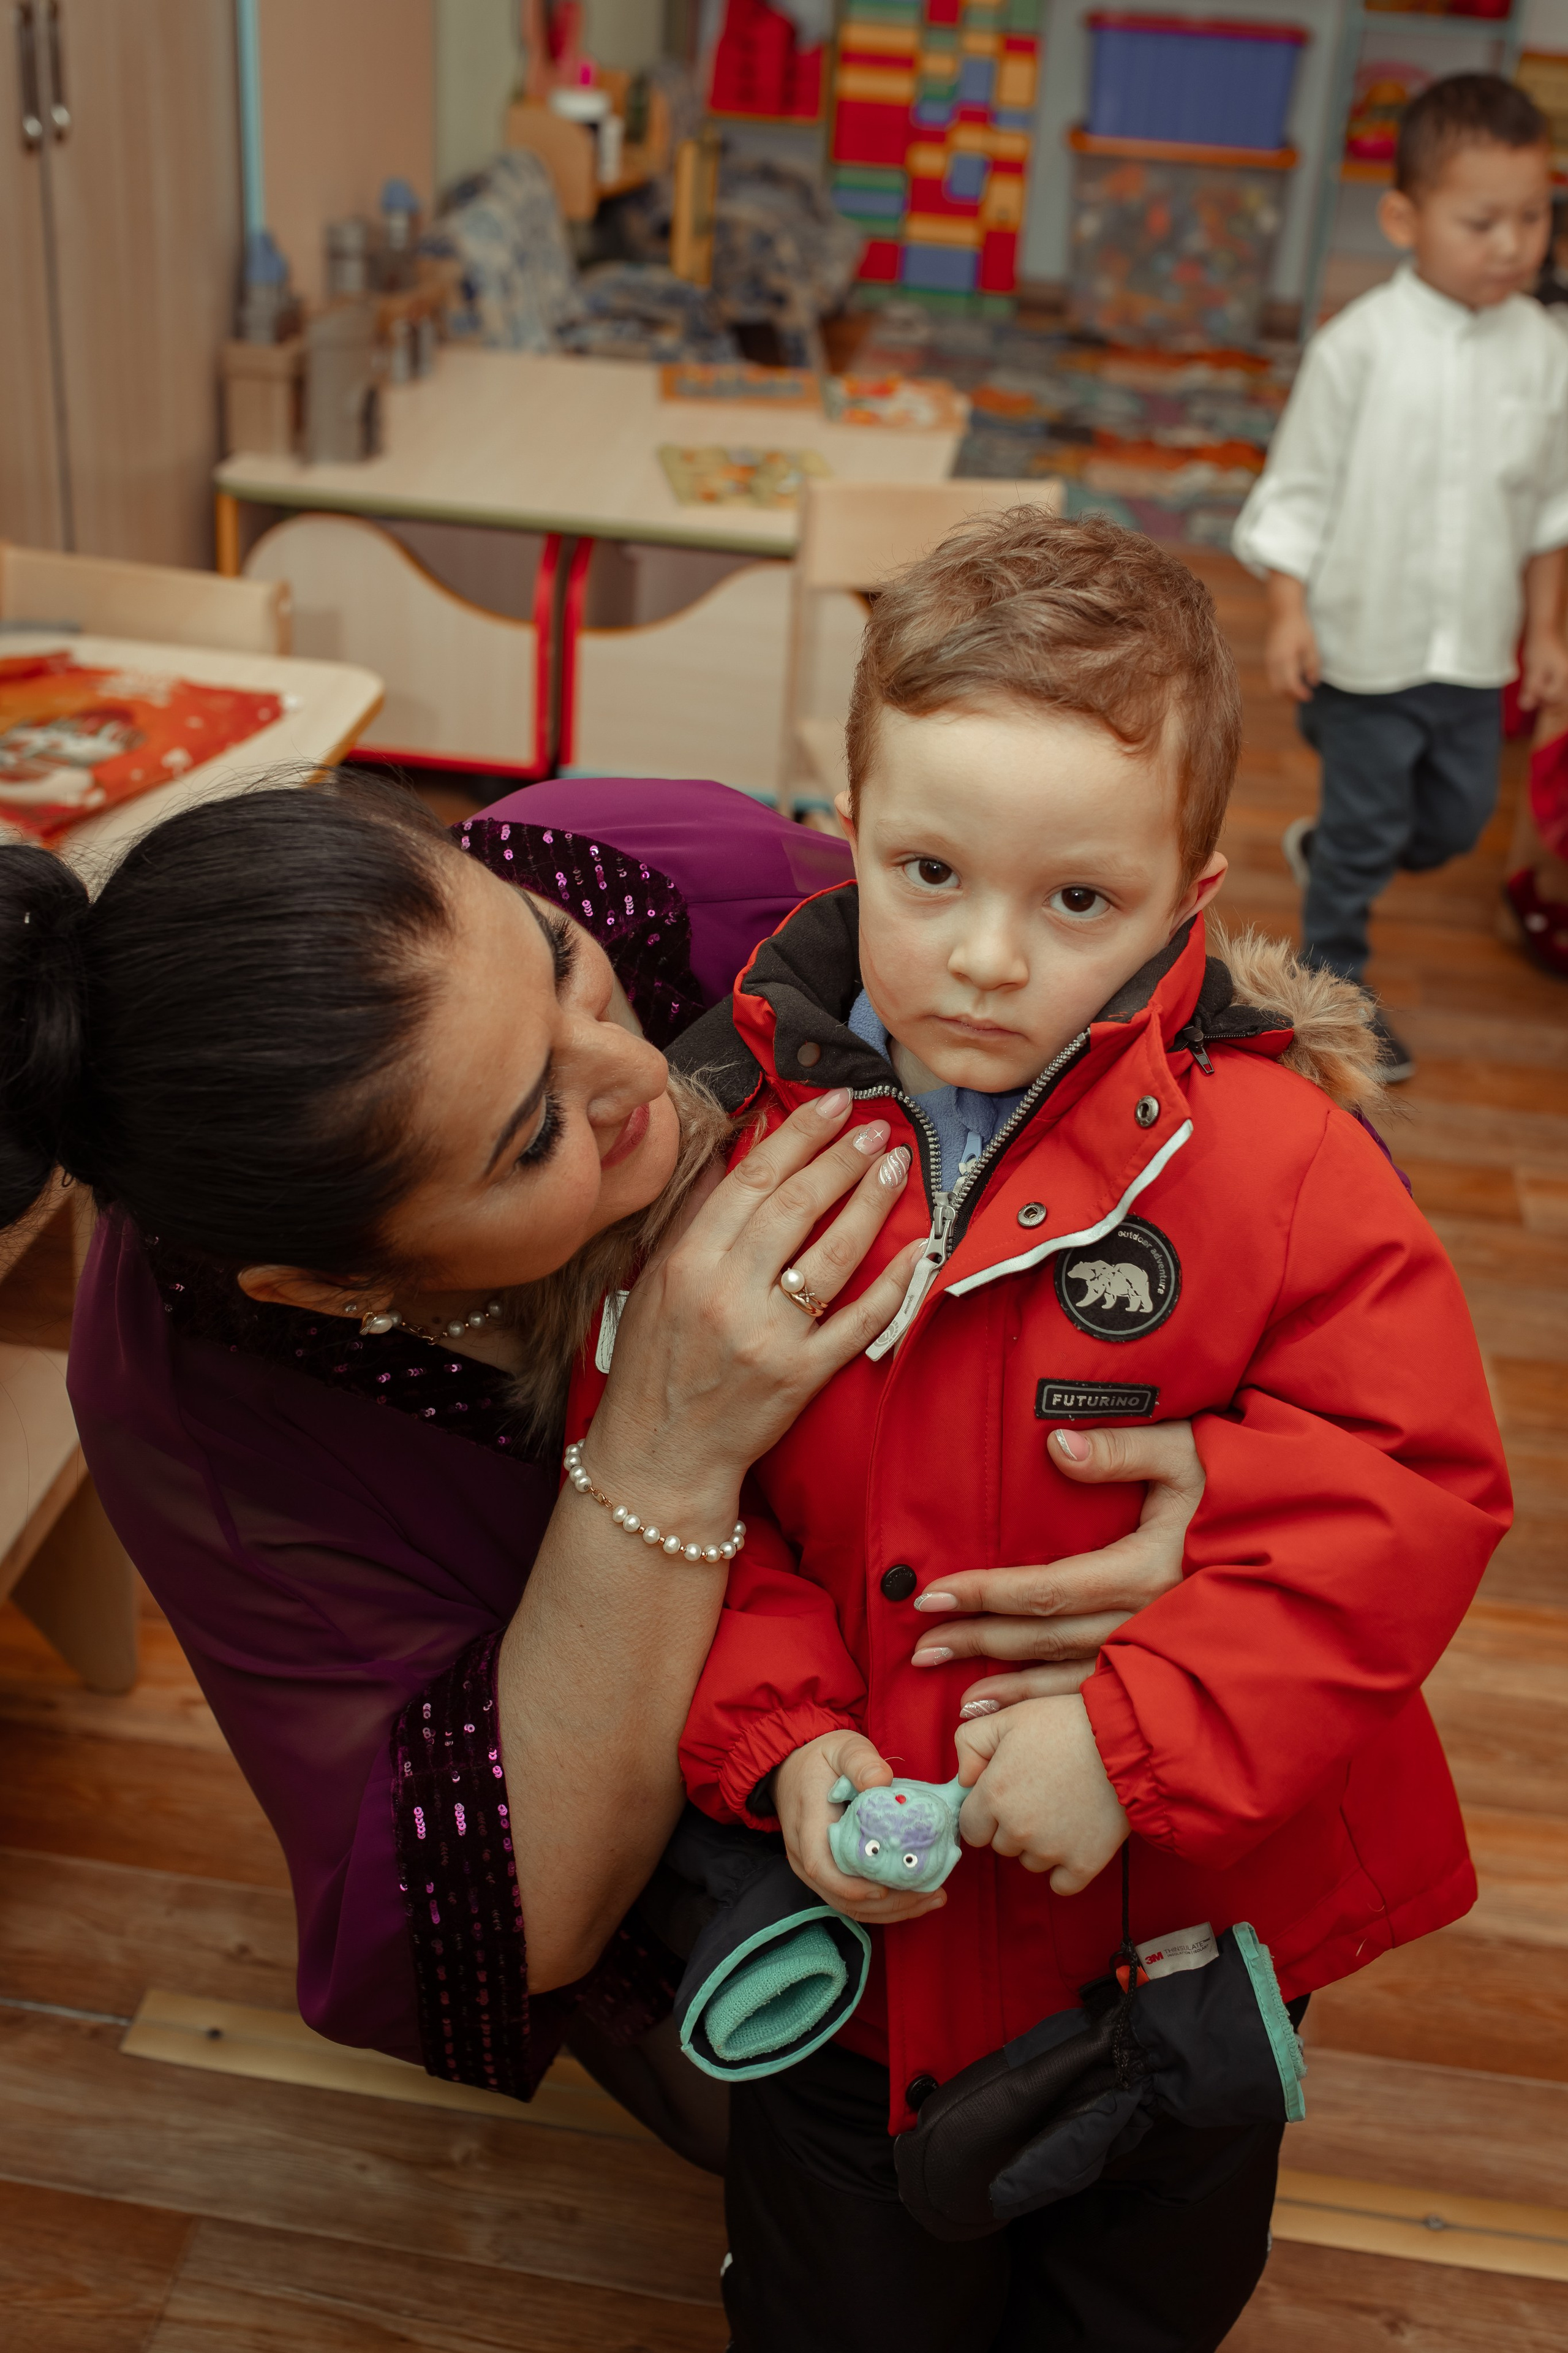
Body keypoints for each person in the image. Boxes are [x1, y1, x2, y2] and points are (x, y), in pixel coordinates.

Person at [567, 515, 1512, 2346]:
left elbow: (1400, 1490)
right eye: (928, 870)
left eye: (1076, 902)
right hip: (857, 1968)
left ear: (1186, 894)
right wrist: (788, 1751)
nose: (986, 957)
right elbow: (686, 1486)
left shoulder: (1283, 1164)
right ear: (847, 825)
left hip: (1168, 1947)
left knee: (1141, 2304)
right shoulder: (742, 1148)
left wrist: (1139, 1733)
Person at [0, 768, 1204, 2166]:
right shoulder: (205, 1411)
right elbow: (523, 1916)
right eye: (531, 1140)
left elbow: (1190, 1074)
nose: (633, 1073)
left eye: (558, 963)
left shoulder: (647, 871)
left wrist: (1221, 1479)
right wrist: (666, 1445)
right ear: (331, 1289)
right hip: (767, 1821)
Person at [1234, 72, 1568, 1080]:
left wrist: (1547, 636)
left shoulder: (1548, 350)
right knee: (1366, 832)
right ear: (1403, 218)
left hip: (1472, 652)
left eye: (1535, 217)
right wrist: (1289, 613)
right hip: (1364, 652)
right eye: (1482, 221)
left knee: (1453, 824)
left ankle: (1334, 846)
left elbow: (1553, 507)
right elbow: (1295, 491)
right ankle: (1343, 1009)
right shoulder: (1356, 350)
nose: (1512, 243)